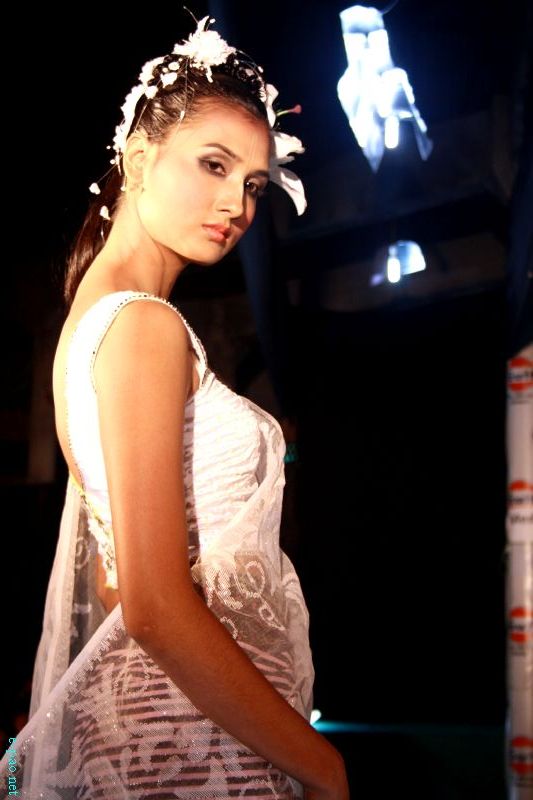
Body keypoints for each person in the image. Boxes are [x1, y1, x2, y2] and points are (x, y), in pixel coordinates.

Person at [0, 14, 349, 800]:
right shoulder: (141, 326)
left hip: (182, 721)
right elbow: (152, 605)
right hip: (193, 735)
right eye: (214, 164)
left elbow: (116, 583)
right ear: (138, 156)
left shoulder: (95, 322)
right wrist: (324, 766)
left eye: (253, 184)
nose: (237, 203)